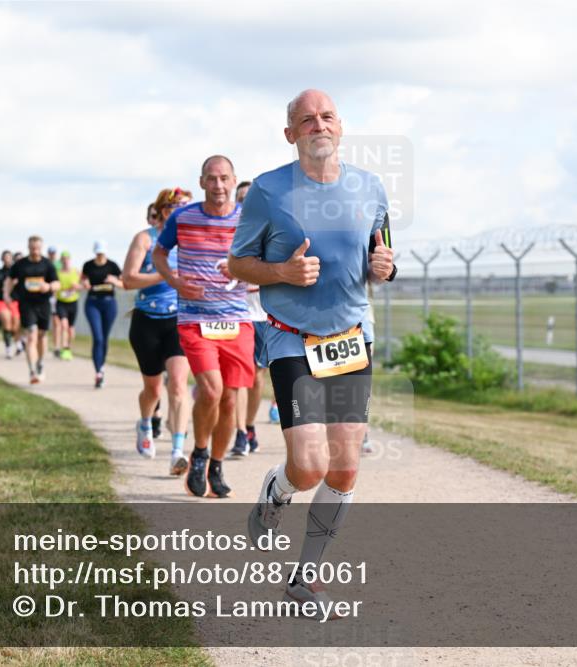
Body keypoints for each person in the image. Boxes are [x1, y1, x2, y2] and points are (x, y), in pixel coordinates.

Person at [229, 89, 396, 614]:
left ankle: (306, 575)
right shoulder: (268, 192)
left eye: (326, 116)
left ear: (340, 127)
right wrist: (280, 272)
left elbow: (381, 253)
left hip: (350, 337)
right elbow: (237, 264)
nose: (317, 124)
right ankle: (277, 492)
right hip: (291, 336)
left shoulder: (371, 187)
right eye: (305, 119)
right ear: (290, 134)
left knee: (344, 468)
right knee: (309, 465)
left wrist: (385, 268)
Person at [155, 158, 253, 499]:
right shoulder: (183, 217)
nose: (218, 185)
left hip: (236, 319)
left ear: (234, 180)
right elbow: (159, 254)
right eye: (211, 179)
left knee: (229, 399)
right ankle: (198, 453)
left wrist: (242, 271)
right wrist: (175, 282)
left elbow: (264, 262)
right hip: (195, 318)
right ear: (201, 182)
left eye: (224, 178)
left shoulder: (249, 219)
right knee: (211, 389)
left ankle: (216, 463)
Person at [123, 188, 193, 475]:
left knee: (178, 384)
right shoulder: (145, 238)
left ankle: (178, 451)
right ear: (164, 211)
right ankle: (144, 423)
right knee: (152, 389)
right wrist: (167, 275)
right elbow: (128, 279)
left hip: (180, 320)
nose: (183, 213)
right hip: (147, 321)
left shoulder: (191, 241)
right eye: (178, 208)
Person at [230, 180, 274, 456]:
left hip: (264, 313)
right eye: (240, 198)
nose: (245, 202)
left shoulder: (269, 230)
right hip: (236, 312)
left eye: (249, 197)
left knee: (257, 378)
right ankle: (238, 434)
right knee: (238, 377)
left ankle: (248, 426)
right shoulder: (229, 232)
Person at [5, 236, 59, 384]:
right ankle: (32, 371)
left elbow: (56, 283)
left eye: (37, 248)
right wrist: (6, 294)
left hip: (43, 304)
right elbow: (9, 280)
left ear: (41, 248)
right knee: (31, 336)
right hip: (27, 304)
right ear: (28, 247)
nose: (35, 251)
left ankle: (40, 361)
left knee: (42, 336)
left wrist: (48, 287)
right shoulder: (20, 265)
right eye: (32, 248)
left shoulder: (47, 264)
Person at [81, 240, 123, 388]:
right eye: (97, 253)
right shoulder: (88, 265)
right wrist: (84, 284)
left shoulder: (113, 266)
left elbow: (124, 284)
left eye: (102, 253)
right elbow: (83, 281)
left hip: (109, 303)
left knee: (104, 338)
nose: (100, 256)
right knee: (97, 337)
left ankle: (102, 367)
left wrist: (114, 281)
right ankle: (98, 372)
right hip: (92, 303)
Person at [0, 251, 21, 358]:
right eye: (5, 257)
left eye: (9, 257)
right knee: (7, 323)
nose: (7, 259)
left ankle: (18, 343)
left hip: (14, 300)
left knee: (15, 325)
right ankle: (8, 348)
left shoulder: (16, 271)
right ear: (2, 259)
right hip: (1, 300)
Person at [54, 251, 80, 360]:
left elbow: (82, 285)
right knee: (64, 324)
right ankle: (63, 348)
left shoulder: (76, 272)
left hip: (73, 302)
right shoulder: (57, 273)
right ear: (61, 260)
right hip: (61, 302)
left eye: (67, 259)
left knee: (70, 328)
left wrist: (76, 286)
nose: (65, 261)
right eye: (63, 259)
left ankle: (68, 348)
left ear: (70, 260)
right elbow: (54, 286)